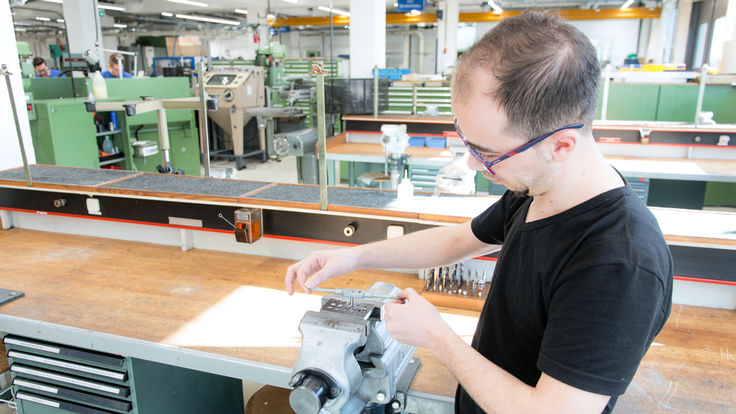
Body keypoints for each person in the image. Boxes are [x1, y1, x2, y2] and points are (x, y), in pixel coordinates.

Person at [284, 11, 673, 414]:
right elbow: (458, 240)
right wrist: (353, 256)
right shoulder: (538, 188)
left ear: (561, 146)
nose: (473, 166)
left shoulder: (620, 264)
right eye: (467, 142)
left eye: (487, 153)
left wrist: (437, 336)